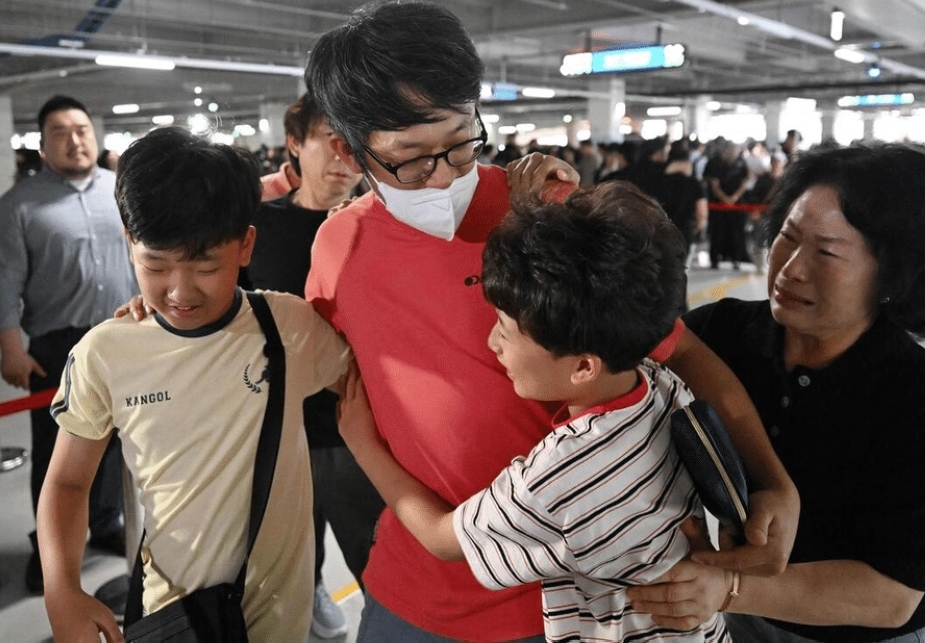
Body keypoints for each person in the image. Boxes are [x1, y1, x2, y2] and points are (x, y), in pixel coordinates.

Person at [304, 3, 797, 642]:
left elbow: (686, 356)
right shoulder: (339, 249)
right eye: (412, 159)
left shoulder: (551, 213)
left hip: (578, 603)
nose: (444, 176)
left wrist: (772, 484)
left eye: (459, 142)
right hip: (417, 591)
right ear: (349, 149)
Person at [340, 181, 729, 642]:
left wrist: (362, 444)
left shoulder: (563, 476)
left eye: (505, 330)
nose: (491, 343)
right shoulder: (659, 385)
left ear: (584, 366)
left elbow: (444, 539)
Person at [628, 143, 925, 643]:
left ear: (893, 276)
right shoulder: (721, 333)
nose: (791, 268)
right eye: (787, 237)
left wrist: (728, 588)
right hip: (739, 610)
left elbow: (891, 596)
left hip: (858, 631)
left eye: (827, 252)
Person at [36, 126, 354, 643]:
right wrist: (61, 588)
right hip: (174, 615)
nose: (180, 291)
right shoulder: (105, 353)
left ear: (246, 244)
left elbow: (366, 390)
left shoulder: (287, 327)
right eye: (155, 266)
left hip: (281, 620)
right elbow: (69, 482)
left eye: (207, 266)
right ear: (129, 244)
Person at [240, 92, 382, 639]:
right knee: (289, 574)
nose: (346, 156)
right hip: (279, 431)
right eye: (331, 138)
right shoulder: (257, 227)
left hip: (360, 431)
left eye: (357, 143)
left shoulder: (383, 224)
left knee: (379, 572)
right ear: (295, 145)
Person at [0, 95, 136, 593]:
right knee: (59, 451)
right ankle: (51, 550)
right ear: (42, 145)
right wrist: (10, 347)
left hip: (125, 334)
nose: (74, 139)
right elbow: (6, 281)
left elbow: (145, 255)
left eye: (82, 128)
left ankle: (104, 522)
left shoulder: (122, 189)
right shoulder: (19, 205)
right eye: (60, 131)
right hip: (59, 346)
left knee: (120, 442)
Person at [704, 140, 751, 270]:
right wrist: (725, 199)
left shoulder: (741, 163)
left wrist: (734, 198)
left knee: (736, 233)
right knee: (717, 233)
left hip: (736, 206)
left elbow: (744, 182)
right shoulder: (714, 162)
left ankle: (736, 258)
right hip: (718, 205)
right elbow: (714, 184)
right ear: (724, 151)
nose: (732, 154)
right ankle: (715, 259)